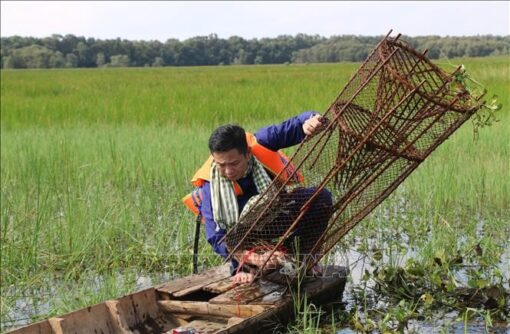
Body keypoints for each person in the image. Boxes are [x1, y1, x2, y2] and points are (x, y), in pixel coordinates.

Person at [183, 111, 332, 284]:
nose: (228, 171)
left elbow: (295, 124)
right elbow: (217, 239)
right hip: (244, 238)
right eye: (221, 165)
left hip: (275, 215)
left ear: (247, 154)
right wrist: (253, 259)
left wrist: (310, 121)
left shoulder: (262, 143)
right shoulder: (210, 186)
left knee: (320, 197)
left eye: (234, 163)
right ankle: (245, 268)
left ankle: (302, 259)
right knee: (234, 244)